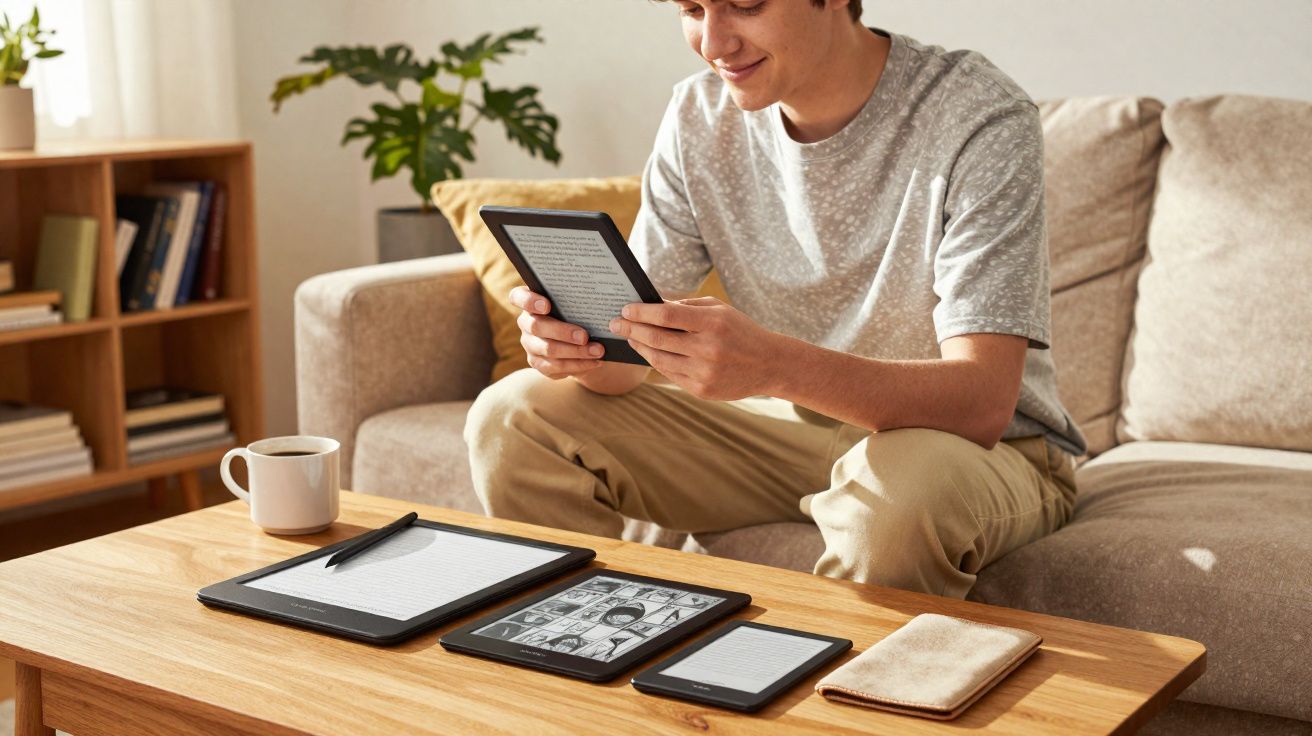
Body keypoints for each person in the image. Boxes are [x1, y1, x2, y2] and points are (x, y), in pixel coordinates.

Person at [465, 0, 1087, 599]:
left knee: (893, 505)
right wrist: (579, 348)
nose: (714, 44)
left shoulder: (977, 114)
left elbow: (983, 403)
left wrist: (772, 365)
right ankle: (590, 645)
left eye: (747, 4)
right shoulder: (698, 115)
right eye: (692, 10)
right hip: (785, 430)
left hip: (971, 449)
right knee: (514, 416)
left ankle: (840, 674)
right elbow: (624, 368)